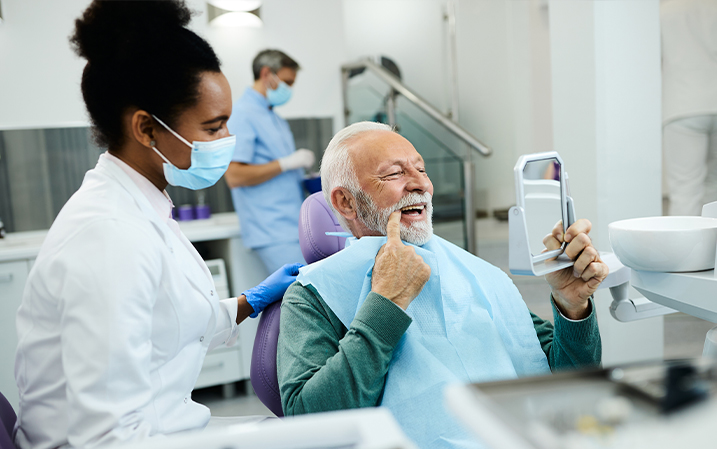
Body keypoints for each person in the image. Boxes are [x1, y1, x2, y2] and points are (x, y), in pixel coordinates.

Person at [13, 2, 299, 448]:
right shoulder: (109, 235)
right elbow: (106, 438)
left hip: (167, 425)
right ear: (146, 128)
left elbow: (170, 324)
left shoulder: (141, 206)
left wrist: (250, 302)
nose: (228, 141)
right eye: (213, 127)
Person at [277, 122, 607, 448]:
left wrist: (571, 306)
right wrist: (385, 304)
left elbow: (567, 379)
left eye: (422, 170)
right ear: (346, 202)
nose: (420, 184)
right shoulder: (313, 295)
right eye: (394, 174)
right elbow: (311, 419)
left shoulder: (476, 274)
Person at [224, 49, 314, 273]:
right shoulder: (242, 114)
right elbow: (234, 176)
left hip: (291, 226)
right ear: (266, 74)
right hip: (271, 230)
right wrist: (286, 163)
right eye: (286, 82)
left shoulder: (274, 117)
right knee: (302, 300)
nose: (289, 89)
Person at [662, 0, 717, 216]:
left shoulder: (665, 10)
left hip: (681, 104)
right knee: (714, 190)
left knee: (685, 191)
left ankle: (684, 249)